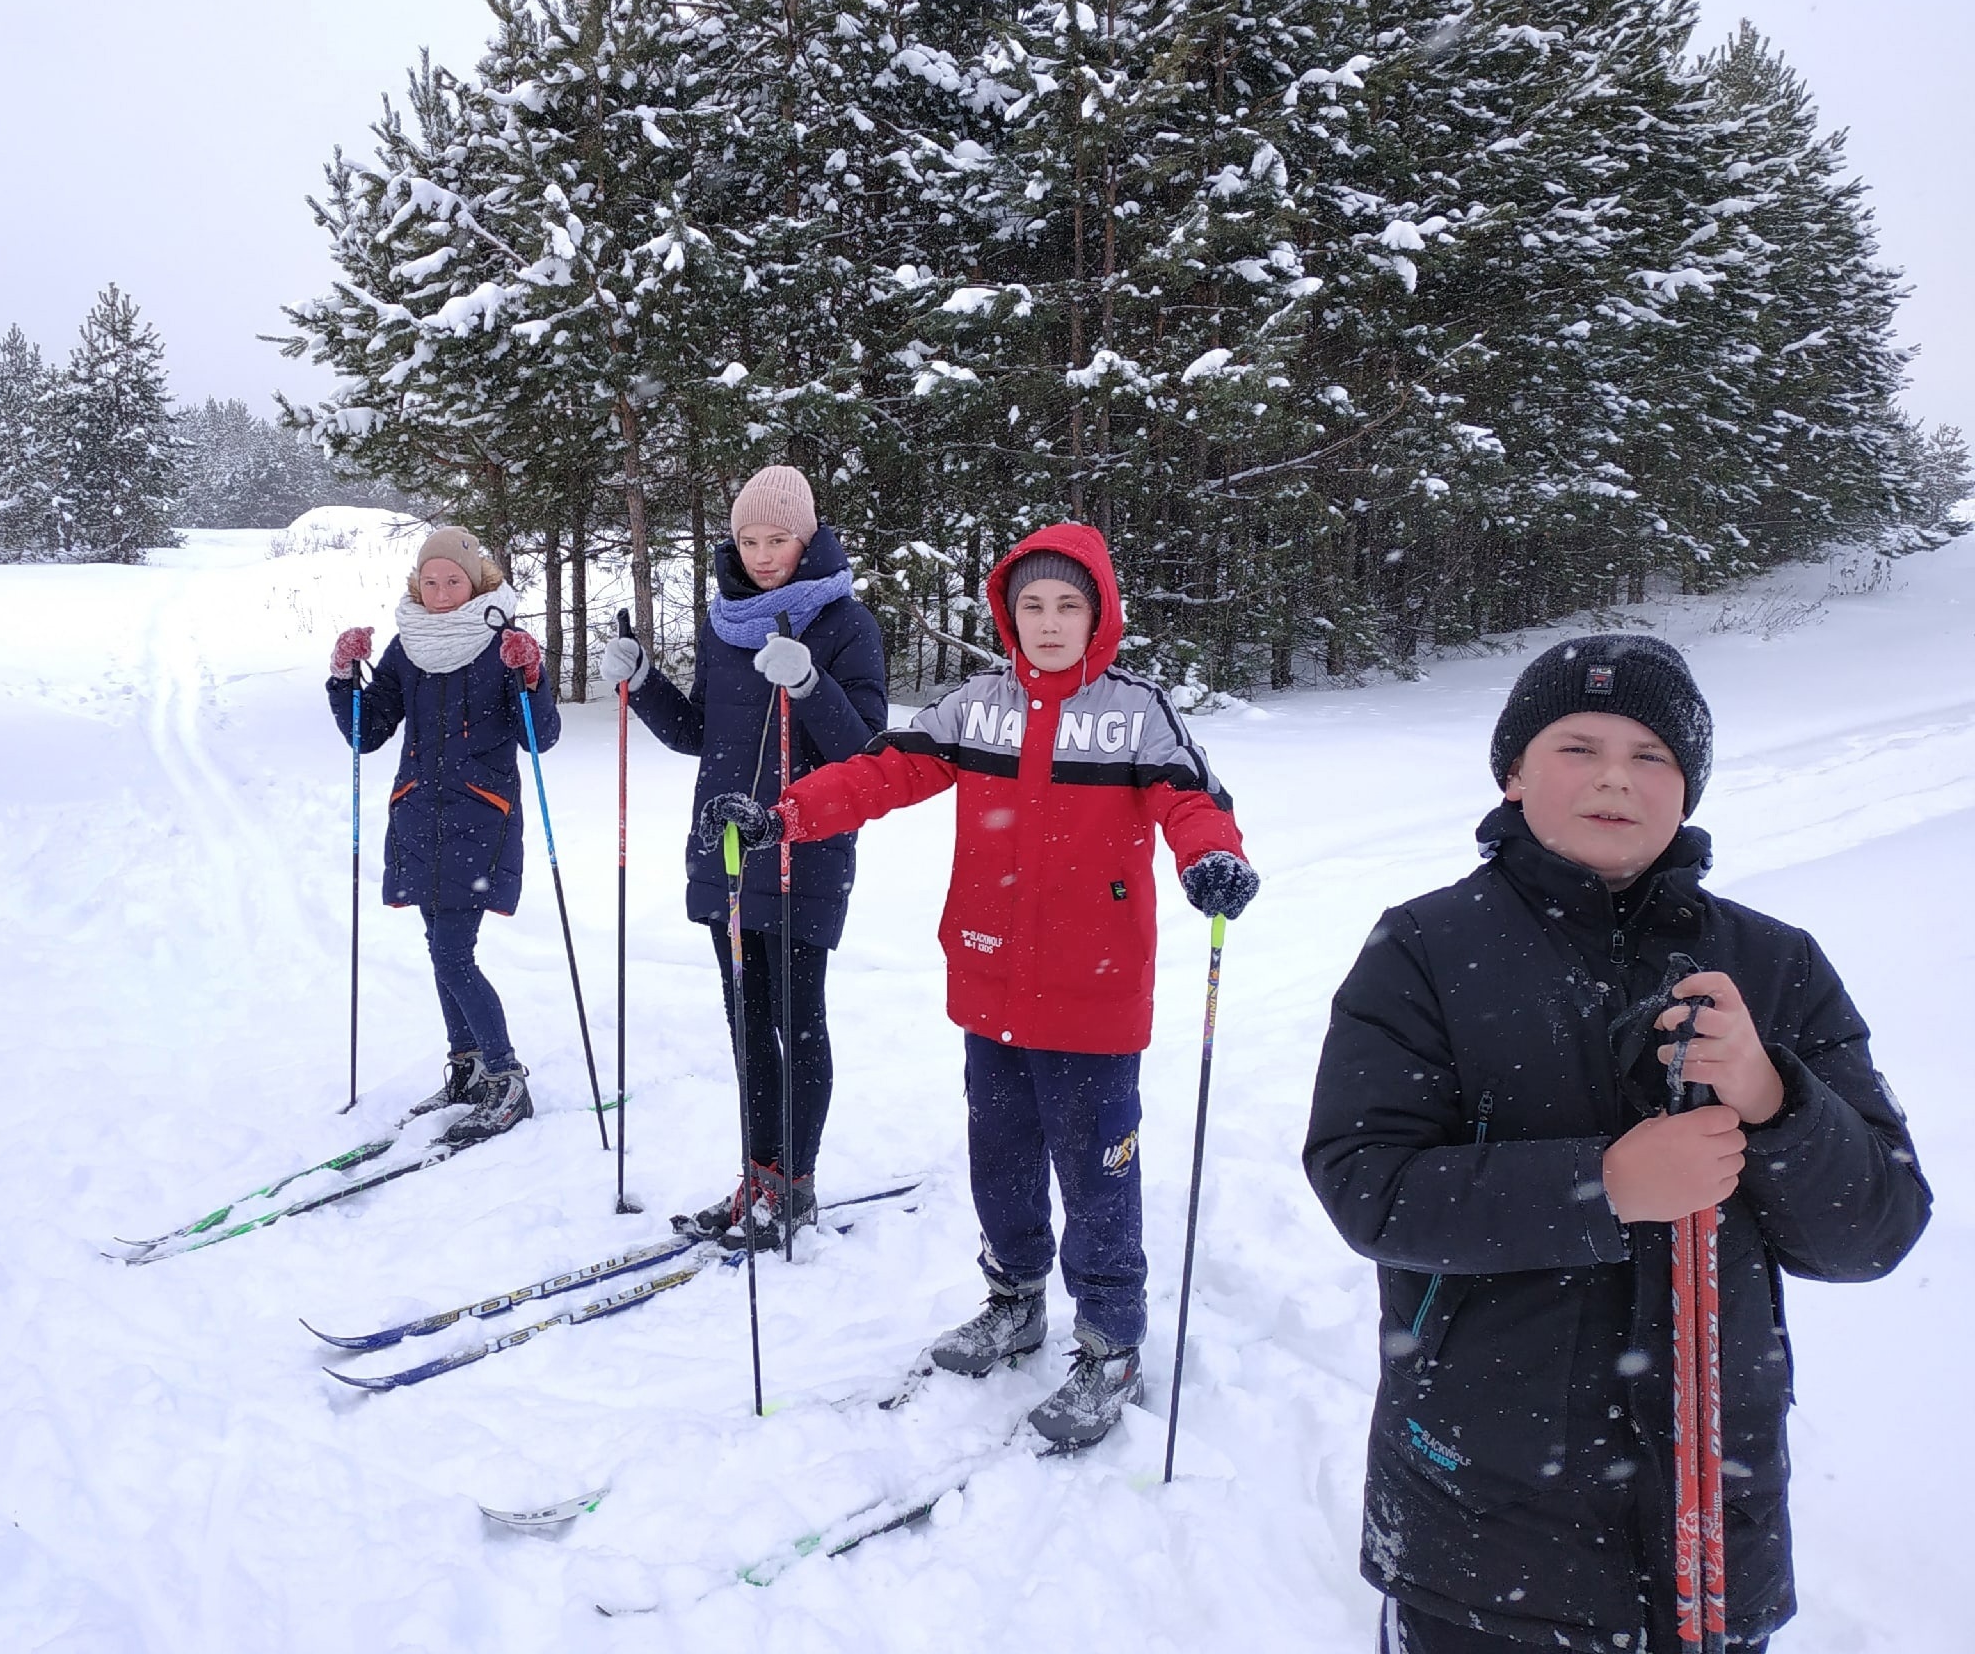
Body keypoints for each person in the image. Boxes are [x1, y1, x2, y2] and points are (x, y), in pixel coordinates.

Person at [1303, 635, 1930, 1653]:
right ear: (1512, 772)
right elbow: (1366, 1188)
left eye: (1651, 756)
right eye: (1576, 746)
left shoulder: (1774, 965)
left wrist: (1773, 1098)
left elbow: (1874, 1231)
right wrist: (1604, 1187)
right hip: (1481, 1523)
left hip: (1711, 1530)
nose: (1613, 777)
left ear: (1687, 788)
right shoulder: (1424, 949)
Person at [699, 523, 1259, 1449]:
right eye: (1031, 605)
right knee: (998, 1157)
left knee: (1096, 1170)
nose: (1047, 623)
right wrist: (784, 816)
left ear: (1099, 615)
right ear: (1007, 615)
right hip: (992, 978)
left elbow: (1196, 802)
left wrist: (1211, 860)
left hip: (1094, 990)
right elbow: (883, 773)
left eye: (1066, 606)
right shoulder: (977, 707)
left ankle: (1112, 1337)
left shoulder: (1137, 712)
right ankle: (1014, 1298)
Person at [597, 465, 888, 1249]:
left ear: (809, 537)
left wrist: (809, 683)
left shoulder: (847, 625)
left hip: (805, 848)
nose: (763, 555)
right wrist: (644, 681)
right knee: (748, 1028)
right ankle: (757, 1178)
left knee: (798, 1023)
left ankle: (794, 1187)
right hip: (725, 848)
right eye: (750, 539)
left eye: (779, 539)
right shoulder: (726, 622)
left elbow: (865, 752)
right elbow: (701, 734)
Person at [328, 526, 555, 1144]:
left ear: (478, 581)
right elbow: (366, 731)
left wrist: (531, 676)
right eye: (430, 581)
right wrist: (344, 677)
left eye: (453, 580)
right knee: (441, 951)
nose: (441, 591)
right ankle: (469, 1067)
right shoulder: (407, 649)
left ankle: (507, 1077)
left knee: (453, 954)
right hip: (418, 819)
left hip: (480, 821)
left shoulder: (501, 644)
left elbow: (541, 737)